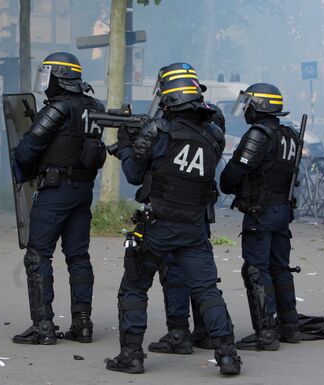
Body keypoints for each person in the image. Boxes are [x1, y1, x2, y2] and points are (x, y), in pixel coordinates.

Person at [105, 72, 241, 375]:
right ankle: (227, 354)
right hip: (194, 227)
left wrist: (127, 145)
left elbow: (133, 175)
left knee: (135, 287)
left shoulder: (158, 129)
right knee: (207, 291)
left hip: (158, 225)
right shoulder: (214, 133)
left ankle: (131, 355)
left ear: (169, 98)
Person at [11, 52, 105, 345]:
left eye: (48, 75)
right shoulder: (94, 106)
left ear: (59, 78)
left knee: (38, 256)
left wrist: (22, 171)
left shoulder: (58, 109)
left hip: (56, 190)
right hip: (82, 191)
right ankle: (83, 324)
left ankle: (43, 327)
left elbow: (28, 149)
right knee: (78, 257)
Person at [220, 83, 302, 351]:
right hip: (282, 210)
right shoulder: (288, 134)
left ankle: (266, 333)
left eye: (249, 105)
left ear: (258, 107)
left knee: (256, 270)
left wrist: (229, 184)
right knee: (281, 268)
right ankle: (289, 326)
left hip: (261, 211)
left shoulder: (258, 134)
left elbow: (234, 174)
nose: (246, 111)